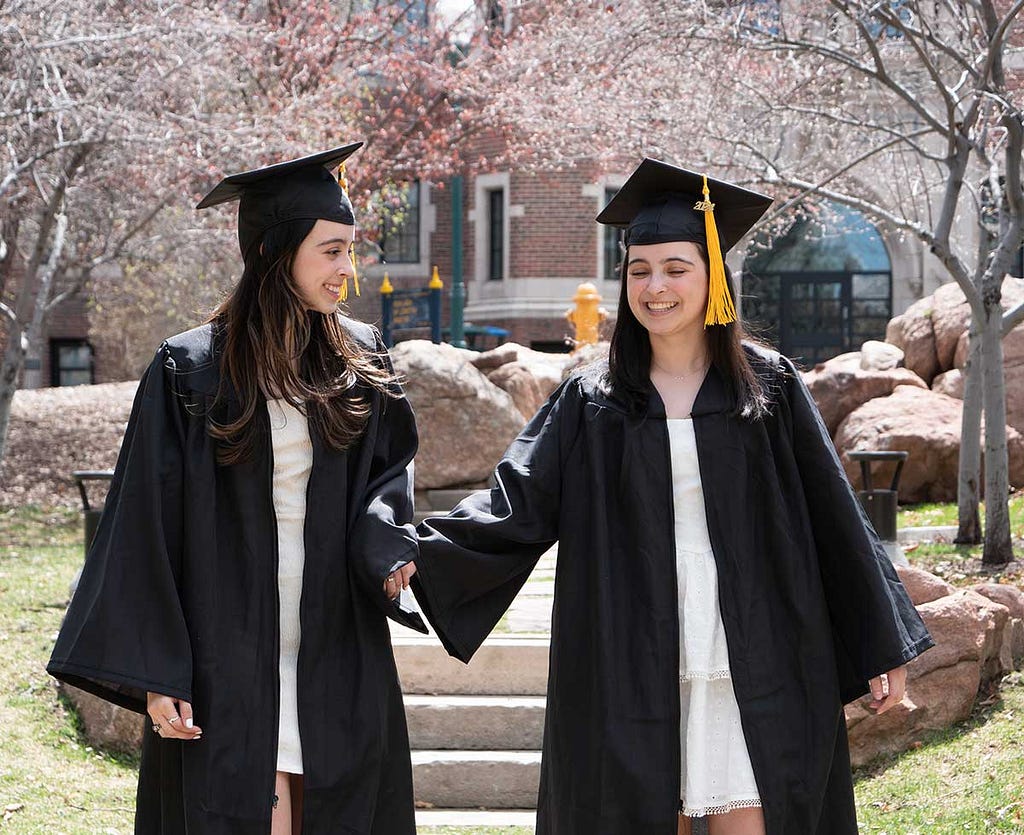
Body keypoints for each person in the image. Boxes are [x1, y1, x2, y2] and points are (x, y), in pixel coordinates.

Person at [411, 158, 934, 835]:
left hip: (752, 657)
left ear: (712, 275)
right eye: (640, 269)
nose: (656, 287)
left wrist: (879, 642)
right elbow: (515, 503)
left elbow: (835, 517)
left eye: (676, 268)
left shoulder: (766, 389)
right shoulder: (592, 400)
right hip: (633, 662)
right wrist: (408, 548)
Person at [48, 143, 422, 835]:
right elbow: (142, 525)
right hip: (227, 656)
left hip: (336, 647)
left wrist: (386, 539)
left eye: (350, 250)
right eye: (332, 250)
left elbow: (387, 478)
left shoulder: (360, 356)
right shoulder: (190, 369)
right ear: (277, 252)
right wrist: (160, 669)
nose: (348, 269)